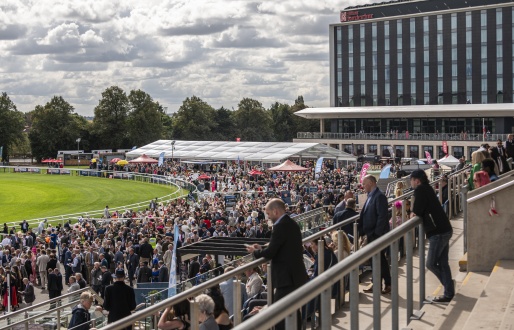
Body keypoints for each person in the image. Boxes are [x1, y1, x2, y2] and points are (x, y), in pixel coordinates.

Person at [246, 198, 308, 330]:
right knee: (292, 311)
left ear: (275, 211)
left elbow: (271, 252)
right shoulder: (291, 223)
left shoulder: (280, 226)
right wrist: (262, 247)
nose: (268, 217)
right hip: (294, 276)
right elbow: (280, 245)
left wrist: (256, 252)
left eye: (268, 214)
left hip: (286, 279)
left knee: (279, 314)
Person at [410, 169, 454, 303]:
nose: (410, 183)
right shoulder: (427, 188)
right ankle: (449, 292)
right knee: (443, 263)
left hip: (437, 232)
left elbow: (417, 210)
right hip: (444, 229)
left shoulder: (420, 190)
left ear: (416, 181)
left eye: (411, 180)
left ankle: (449, 287)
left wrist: (412, 213)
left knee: (430, 264)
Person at [358, 174, 391, 294]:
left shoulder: (379, 196)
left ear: (371, 183)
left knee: (378, 259)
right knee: (378, 259)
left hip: (376, 235)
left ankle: (383, 284)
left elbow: (382, 216)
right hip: (371, 233)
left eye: (364, 183)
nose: (363, 186)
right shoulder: (370, 196)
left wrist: (376, 233)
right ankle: (381, 283)